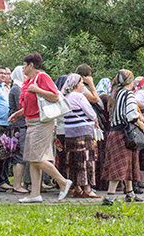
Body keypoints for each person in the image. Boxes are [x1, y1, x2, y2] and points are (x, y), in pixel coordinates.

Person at [8, 52, 72, 204]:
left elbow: (55, 96)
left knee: (37, 158)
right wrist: (17, 114)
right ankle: (35, 194)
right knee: (32, 159)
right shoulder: (29, 81)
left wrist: (37, 90)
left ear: (31, 65)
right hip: (30, 122)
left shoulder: (42, 77)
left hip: (42, 123)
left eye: (24, 65)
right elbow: (31, 105)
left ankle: (63, 182)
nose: (23, 68)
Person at [101, 69, 144, 205]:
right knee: (120, 165)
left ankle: (130, 193)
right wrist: (141, 124)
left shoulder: (115, 94)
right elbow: (131, 115)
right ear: (130, 81)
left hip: (114, 133)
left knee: (128, 163)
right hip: (124, 134)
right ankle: (110, 196)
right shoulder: (129, 95)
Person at [61, 73, 99, 198]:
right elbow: (91, 113)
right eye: (82, 83)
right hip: (83, 132)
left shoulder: (64, 97)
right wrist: (95, 119)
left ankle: (77, 187)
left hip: (70, 132)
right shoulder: (79, 96)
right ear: (76, 84)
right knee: (86, 159)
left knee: (73, 160)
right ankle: (87, 188)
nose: (83, 85)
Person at [8, 66, 29, 194]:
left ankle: (18, 183)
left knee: (21, 155)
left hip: (20, 125)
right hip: (20, 126)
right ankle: (17, 185)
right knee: (19, 156)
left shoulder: (17, 88)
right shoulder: (17, 89)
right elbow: (23, 106)